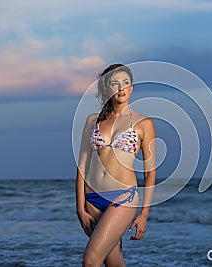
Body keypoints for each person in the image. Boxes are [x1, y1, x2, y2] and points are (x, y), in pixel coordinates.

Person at [76, 64, 156, 267]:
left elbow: (150, 172)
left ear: (132, 88)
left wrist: (144, 214)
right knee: (114, 262)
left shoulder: (143, 123)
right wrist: (80, 207)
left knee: (90, 261)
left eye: (125, 83)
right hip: (92, 200)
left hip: (124, 196)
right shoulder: (92, 121)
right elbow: (82, 166)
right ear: (107, 88)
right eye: (115, 83)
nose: (121, 87)